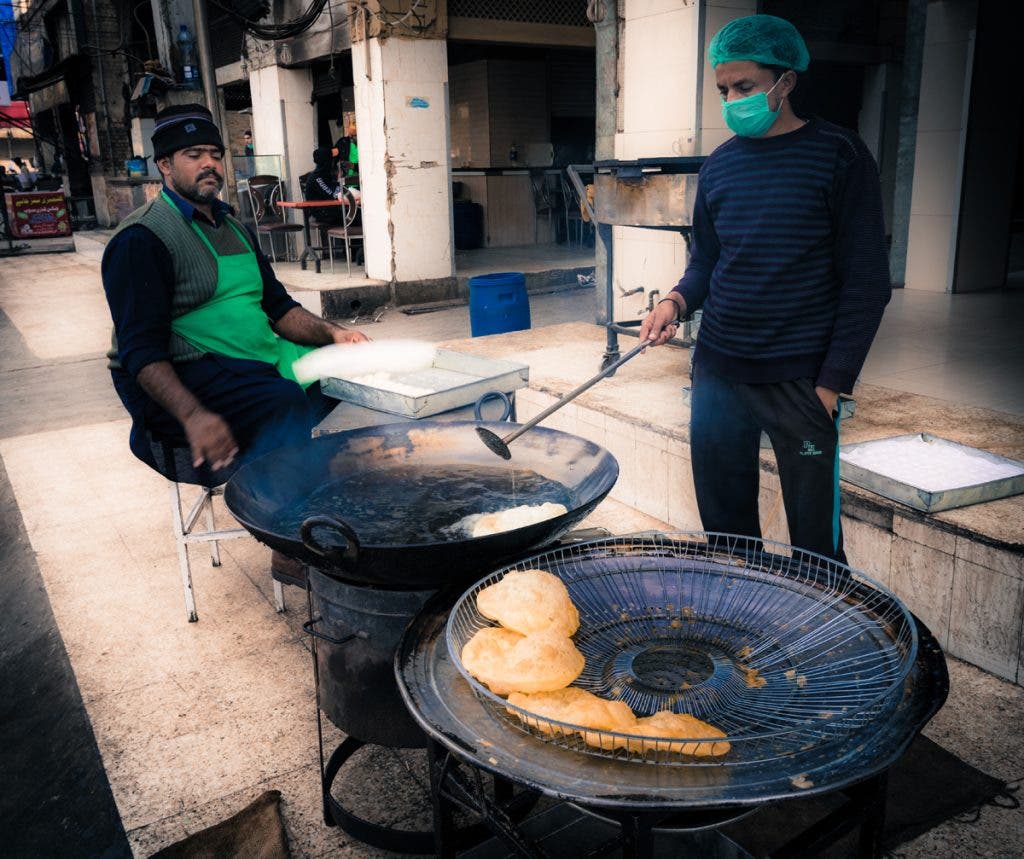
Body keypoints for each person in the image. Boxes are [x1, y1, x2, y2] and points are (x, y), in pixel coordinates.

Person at [640, 14, 891, 564]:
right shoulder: (721, 167)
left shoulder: (840, 157)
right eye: (724, 90)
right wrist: (675, 301)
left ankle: (818, 634)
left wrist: (832, 384)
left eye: (745, 87)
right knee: (727, 532)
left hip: (800, 381)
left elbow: (868, 281)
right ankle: (745, 631)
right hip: (718, 372)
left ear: (786, 81)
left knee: (816, 545)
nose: (732, 100)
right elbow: (706, 261)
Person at [101, 104, 369, 585]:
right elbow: (140, 351)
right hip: (182, 372)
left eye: (214, 154)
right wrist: (194, 416)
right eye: (192, 154)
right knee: (283, 401)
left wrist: (334, 336)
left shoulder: (235, 227)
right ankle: (289, 541)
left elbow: (280, 308)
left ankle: (282, 477)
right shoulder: (142, 239)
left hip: (249, 357)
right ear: (164, 166)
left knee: (346, 374)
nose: (209, 164)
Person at [303, 147, 345, 227]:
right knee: (356, 216)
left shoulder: (326, 175)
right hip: (322, 213)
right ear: (326, 161)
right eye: (331, 159)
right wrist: (340, 181)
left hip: (331, 210)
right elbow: (333, 194)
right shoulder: (317, 178)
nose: (334, 162)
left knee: (355, 213)